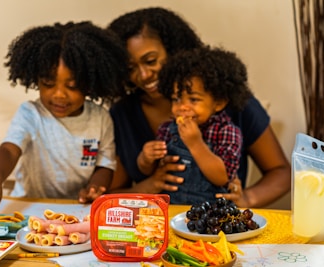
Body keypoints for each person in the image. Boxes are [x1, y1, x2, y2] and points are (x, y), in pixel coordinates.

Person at [107, 7, 291, 208]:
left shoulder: (230, 101)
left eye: (151, 61)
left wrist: (247, 199)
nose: (143, 75)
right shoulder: (123, 114)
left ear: (174, 51)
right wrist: (148, 185)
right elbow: (113, 192)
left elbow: (281, 172)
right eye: (130, 68)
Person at [0, 21, 128, 215]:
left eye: (71, 86)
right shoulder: (31, 114)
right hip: (29, 205)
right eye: (48, 83)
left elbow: (105, 165)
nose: (59, 95)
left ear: (90, 84)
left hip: (77, 208)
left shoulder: (100, 118)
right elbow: (9, 150)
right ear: (36, 81)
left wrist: (95, 188)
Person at [137, 46, 252, 204]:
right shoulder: (167, 129)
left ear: (218, 103)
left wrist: (195, 143)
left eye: (194, 100)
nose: (182, 107)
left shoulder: (227, 131)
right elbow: (151, 170)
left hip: (210, 213)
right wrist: (145, 159)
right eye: (176, 99)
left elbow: (222, 177)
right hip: (171, 209)